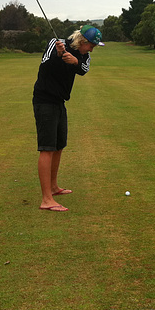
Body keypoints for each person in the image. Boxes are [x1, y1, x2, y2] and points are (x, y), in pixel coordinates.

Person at [33, 25, 104, 212]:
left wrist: (73, 61)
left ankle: (54, 188)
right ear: (83, 41)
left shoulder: (83, 56)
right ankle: (46, 199)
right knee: (47, 148)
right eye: (91, 45)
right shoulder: (56, 44)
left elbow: (83, 70)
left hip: (59, 101)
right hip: (44, 100)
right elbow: (45, 66)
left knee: (58, 145)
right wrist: (58, 55)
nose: (91, 49)